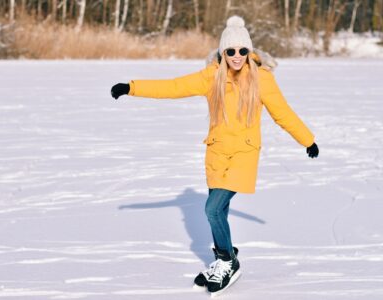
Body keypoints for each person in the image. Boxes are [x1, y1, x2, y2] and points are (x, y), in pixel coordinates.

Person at [110, 16, 319, 295]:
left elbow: (283, 113)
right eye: (230, 51)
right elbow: (174, 87)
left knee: (211, 209)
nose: (236, 56)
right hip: (217, 153)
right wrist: (132, 87)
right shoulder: (212, 76)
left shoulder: (262, 79)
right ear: (222, 52)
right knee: (219, 210)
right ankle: (224, 257)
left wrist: (308, 140)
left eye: (242, 51)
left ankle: (227, 261)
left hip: (243, 155)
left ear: (248, 51)